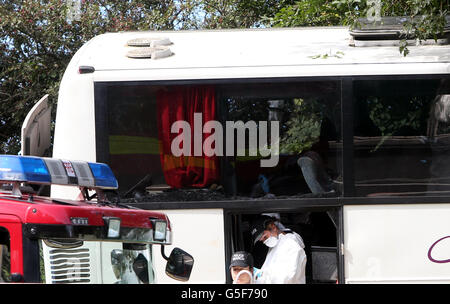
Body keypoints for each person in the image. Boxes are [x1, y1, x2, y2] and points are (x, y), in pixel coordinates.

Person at [251, 215, 307, 284]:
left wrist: (261, 276)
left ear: (273, 227)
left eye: (264, 237)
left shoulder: (291, 245)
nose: (262, 240)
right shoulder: (275, 245)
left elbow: (286, 277)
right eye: (260, 239)